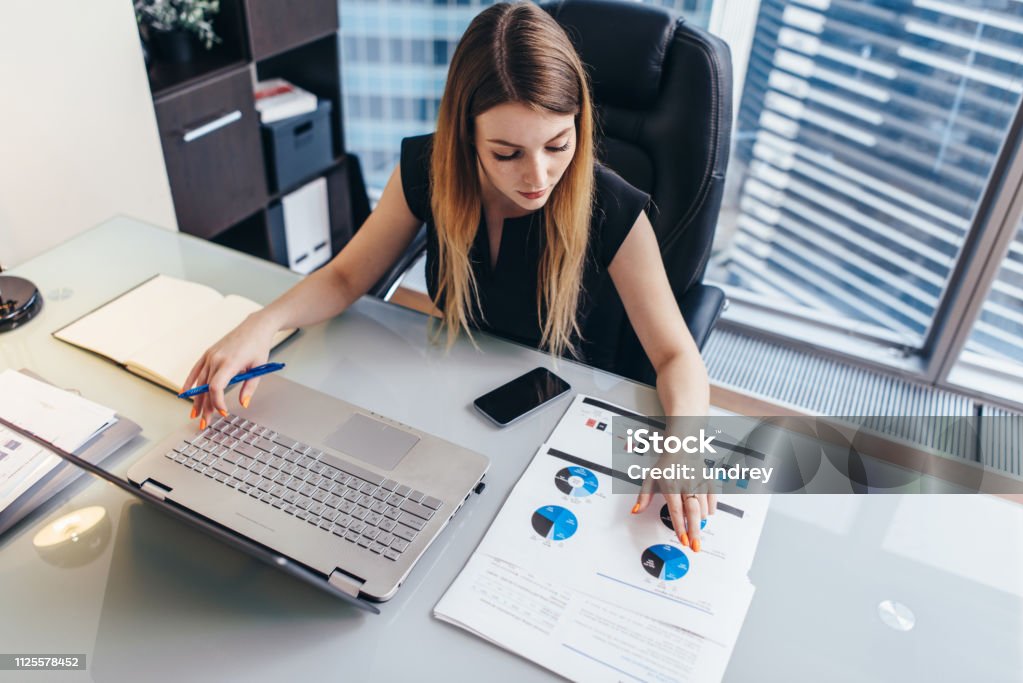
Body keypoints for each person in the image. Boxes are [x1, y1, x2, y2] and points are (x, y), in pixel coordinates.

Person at [183, 1, 715, 551]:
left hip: (559, 428)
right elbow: (346, 277)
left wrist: (685, 447)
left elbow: (678, 356)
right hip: (455, 409)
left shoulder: (611, 207)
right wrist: (262, 324)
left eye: (558, 144)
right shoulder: (429, 169)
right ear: (465, 135)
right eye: (506, 153)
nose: (538, 177)